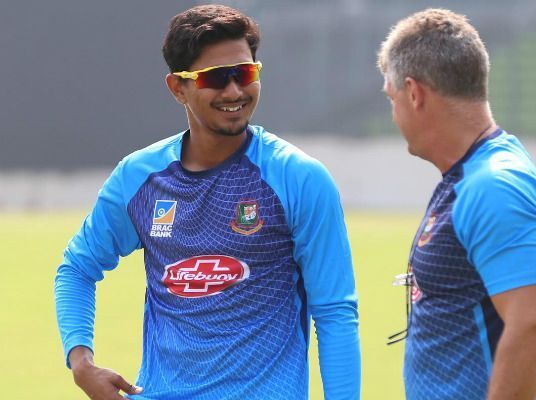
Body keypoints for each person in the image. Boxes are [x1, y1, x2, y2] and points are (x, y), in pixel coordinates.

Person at [54, 4, 360, 399]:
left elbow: (335, 313)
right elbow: (77, 267)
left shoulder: (299, 178)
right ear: (177, 87)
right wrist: (81, 362)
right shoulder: (139, 178)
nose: (234, 91)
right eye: (216, 78)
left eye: (245, 73)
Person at [378, 8, 536, 400]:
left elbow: (534, 325)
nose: (393, 114)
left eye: (392, 97)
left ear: (414, 94)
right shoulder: (469, 176)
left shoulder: (495, 187)